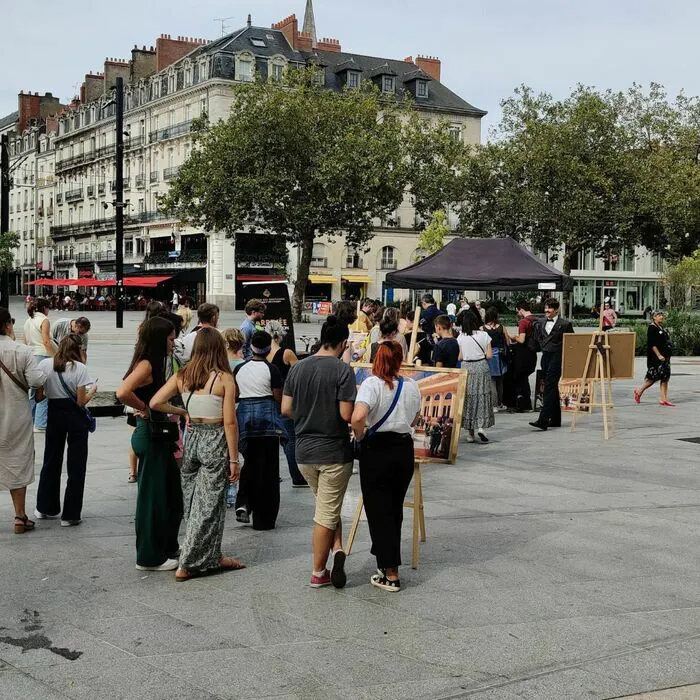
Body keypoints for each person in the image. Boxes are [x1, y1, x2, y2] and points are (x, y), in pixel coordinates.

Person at [150, 328, 245, 582]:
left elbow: (155, 402)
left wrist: (183, 412)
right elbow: (230, 423)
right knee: (210, 505)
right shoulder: (224, 378)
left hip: (193, 439)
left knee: (193, 503)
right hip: (215, 440)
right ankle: (189, 561)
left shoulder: (183, 375)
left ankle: (212, 556)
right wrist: (234, 459)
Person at [281, 316, 356, 589]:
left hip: (304, 452)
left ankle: (337, 548)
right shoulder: (342, 370)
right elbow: (346, 414)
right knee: (325, 513)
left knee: (327, 505)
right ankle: (318, 571)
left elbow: (286, 409)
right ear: (344, 342)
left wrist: (307, 413)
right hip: (334, 451)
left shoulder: (298, 368)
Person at [350, 342, 421, 592]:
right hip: (403, 449)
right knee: (394, 508)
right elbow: (415, 418)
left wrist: (359, 435)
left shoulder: (372, 384)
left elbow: (357, 417)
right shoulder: (412, 386)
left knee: (378, 509)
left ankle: (390, 571)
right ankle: (384, 558)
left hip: (377, 450)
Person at [116, 317, 183, 571]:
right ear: (159, 339)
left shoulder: (153, 361)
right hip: (150, 432)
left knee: (170, 492)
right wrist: (143, 408)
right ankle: (148, 556)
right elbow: (122, 392)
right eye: (170, 338)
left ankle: (166, 545)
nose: (173, 342)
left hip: (157, 433)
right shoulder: (146, 364)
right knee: (152, 497)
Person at [34, 335, 97, 527]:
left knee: (51, 460)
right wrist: (93, 390)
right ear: (77, 349)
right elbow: (81, 401)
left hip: (54, 413)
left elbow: (39, 397)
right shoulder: (80, 368)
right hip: (75, 417)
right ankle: (70, 515)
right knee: (76, 465)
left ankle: (45, 507)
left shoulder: (45, 365)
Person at [0, 309, 47, 534]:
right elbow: (37, 379)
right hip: (15, 414)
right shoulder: (21, 350)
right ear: (8, 325)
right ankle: (19, 517)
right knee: (17, 459)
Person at [233, 330, 285, 529]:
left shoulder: (240, 369)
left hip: (246, 420)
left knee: (250, 463)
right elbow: (278, 397)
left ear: (251, 347)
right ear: (268, 348)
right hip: (268, 421)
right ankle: (265, 518)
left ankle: (244, 502)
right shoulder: (272, 370)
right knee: (269, 469)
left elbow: (236, 394)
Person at [266, 320, 307, 488]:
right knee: (290, 439)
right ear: (280, 334)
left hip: (267, 399)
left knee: (270, 441)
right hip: (284, 399)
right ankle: (296, 476)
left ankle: (271, 475)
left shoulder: (263, 354)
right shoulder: (286, 353)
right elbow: (300, 375)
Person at [530, 298, 574, 431]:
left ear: (556, 310)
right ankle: (555, 420)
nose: (546, 311)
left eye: (549, 308)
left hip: (557, 357)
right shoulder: (541, 322)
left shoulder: (565, 324)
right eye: (545, 308)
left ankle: (543, 420)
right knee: (552, 387)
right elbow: (538, 337)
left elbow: (571, 343)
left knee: (549, 387)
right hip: (545, 357)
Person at [457, 310, 494, 443]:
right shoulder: (484, 335)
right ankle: (481, 427)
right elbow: (489, 356)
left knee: (468, 399)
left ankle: (470, 434)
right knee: (482, 396)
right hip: (481, 367)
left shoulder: (461, 337)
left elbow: (460, 357)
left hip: (467, 368)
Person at [23, 298, 55, 433]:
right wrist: (56, 356)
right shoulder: (44, 320)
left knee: (33, 392)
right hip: (43, 355)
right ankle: (41, 423)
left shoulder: (28, 321)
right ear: (45, 308)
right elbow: (46, 341)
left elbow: (24, 341)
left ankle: (29, 421)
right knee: (44, 391)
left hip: (31, 356)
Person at [634, 311, 674, 406]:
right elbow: (652, 344)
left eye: (662, 315)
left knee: (665, 377)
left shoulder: (661, 327)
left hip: (665, 356)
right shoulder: (652, 328)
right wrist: (658, 355)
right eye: (659, 315)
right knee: (652, 377)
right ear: (654, 317)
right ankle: (639, 391)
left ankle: (663, 399)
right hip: (656, 357)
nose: (661, 317)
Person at [511, 302, 538, 412]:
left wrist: (513, 337)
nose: (518, 313)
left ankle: (523, 404)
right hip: (533, 353)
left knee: (520, 378)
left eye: (518, 311)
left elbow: (521, 340)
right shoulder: (536, 320)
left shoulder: (523, 322)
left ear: (521, 309)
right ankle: (527, 404)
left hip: (523, 354)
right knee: (524, 377)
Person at [483, 308, 511, 411]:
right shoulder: (501, 327)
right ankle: (500, 403)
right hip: (500, 356)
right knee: (500, 381)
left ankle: (494, 405)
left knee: (492, 380)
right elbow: (507, 342)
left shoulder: (482, 329)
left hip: (489, 355)